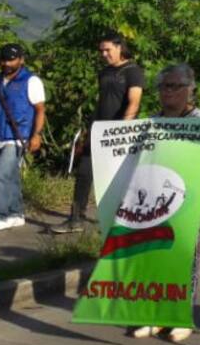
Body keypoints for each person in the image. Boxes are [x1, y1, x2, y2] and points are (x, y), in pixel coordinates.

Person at [129, 63, 200, 344]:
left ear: (189, 89)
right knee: (154, 259)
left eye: (175, 86)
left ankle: (181, 317)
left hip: (187, 201)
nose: (168, 92)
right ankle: (153, 315)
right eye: (164, 86)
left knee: (184, 261)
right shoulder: (151, 120)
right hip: (154, 201)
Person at [52, 31, 144, 233]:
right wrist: (88, 131)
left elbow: (134, 101)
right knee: (83, 174)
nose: (103, 54)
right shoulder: (104, 73)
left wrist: (124, 128)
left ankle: (123, 220)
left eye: (107, 50)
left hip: (120, 133)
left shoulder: (133, 71)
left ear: (119, 47)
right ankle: (75, 219)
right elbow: (102, 103)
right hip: (98, 130)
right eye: (101, 51)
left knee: (118, 179)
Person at [0, 43, 45, 233]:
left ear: (21, 60)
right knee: (12, 177)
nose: (7, 63)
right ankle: (16, 214)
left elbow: (40, 110)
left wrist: (36, 135)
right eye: (4, 59)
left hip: (17, 136)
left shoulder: (31, 81)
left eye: (11, 59)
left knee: (1, 176)